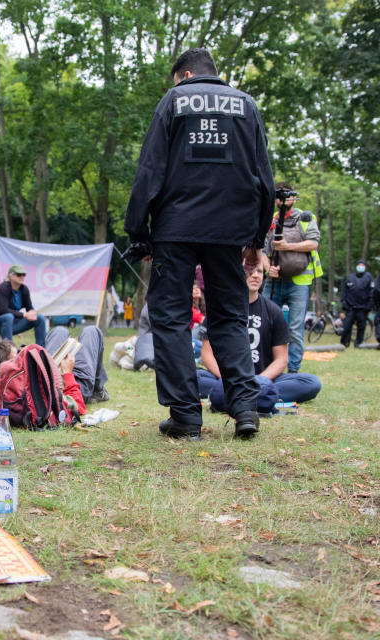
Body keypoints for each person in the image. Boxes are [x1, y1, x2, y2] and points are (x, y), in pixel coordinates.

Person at [123, 47, 274, 440]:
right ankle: (245, 409)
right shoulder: (247, 106)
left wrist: (138, 233)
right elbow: (264, 178)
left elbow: (150, 170)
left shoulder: (174, 101)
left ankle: (186, 416)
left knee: (170, 319)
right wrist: (256, 239)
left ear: (186, 74)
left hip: (176, 229)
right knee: (230, 318)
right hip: (229, 231)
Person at [198, 259, 321, 412]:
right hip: (225, 378)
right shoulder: (220, 309)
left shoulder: (274, 311)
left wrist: (260, 381)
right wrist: (228, 379)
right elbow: (206, 355)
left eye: (260, 272)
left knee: (312, 382)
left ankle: (231, 395)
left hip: (264, 379)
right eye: (250, 271)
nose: (256, 276)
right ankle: (259, 397)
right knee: (192, 377)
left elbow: (281, 359)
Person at [263, 183, 322, 371]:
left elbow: (313, 244)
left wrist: (287, 246)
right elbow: (262, 250)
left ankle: (293, 371)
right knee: (265, 323)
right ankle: (265, 366)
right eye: (280, 196)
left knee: (295, 329)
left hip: (299, 282)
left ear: (294, 198)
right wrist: (267, 269)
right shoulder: (270, 221)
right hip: (274, 281)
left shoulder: (305, 217)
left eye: (288, 196)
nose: (284, 199)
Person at [0, 338, 87, 420]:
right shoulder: (26, 393)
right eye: (17, 357)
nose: (22, 357)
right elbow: (79, 407)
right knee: (92, 333)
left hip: (50, 375)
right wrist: (68, 373)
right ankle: (98, 390)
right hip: (71, 383)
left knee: (59, 331)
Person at [0, 264, 46, 347]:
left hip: (12, 324)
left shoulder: (24, 289)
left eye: (23, 275)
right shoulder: (3, 288)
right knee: (8, 317)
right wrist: (24, 315)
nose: (22, 277)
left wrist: (32, 313)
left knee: (40, 318)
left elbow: (29, 308)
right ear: (11, 276)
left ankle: (41, 351)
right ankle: (10, 351)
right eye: (19, 274)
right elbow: (3, 310)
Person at [339, 259, 375, 348]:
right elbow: (344, 291)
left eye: (362, 265)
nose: (361, 266)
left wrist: (370, 304)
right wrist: (343, 301)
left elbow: (372, 291)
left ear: (365, 267)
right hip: (351, 307)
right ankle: (344, 342)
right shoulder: (350, 277)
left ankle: (358, 343)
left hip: (363, 307)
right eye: (359, 265)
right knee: (347, 326)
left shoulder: (368, 277)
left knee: (361, 326)